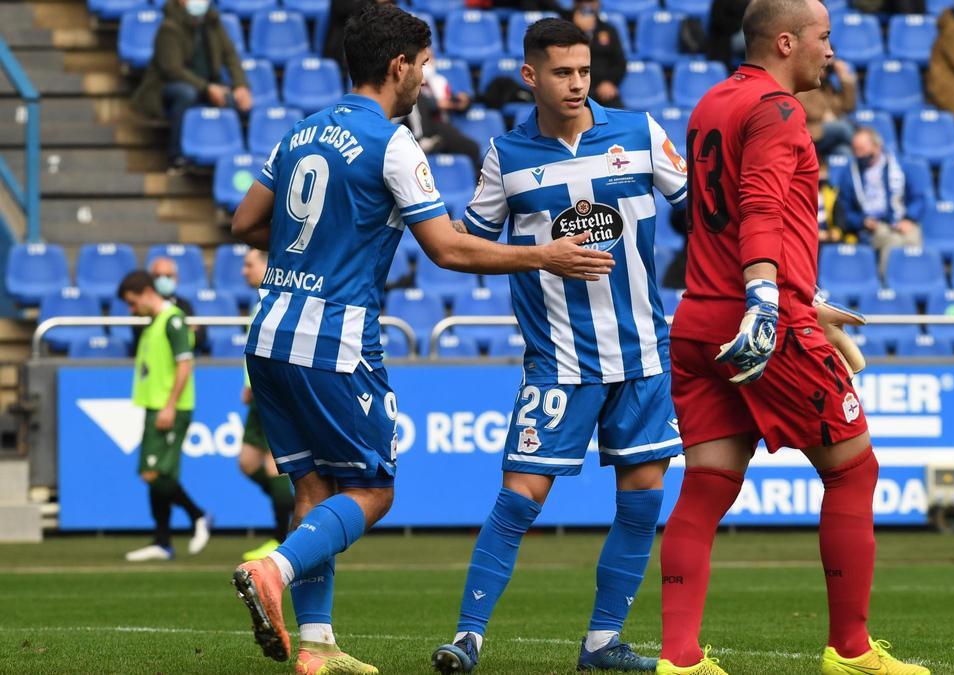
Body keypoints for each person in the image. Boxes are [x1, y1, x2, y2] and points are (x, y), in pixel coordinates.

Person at [227, 6, 614, 674]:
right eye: (425, 65)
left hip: (268, 331)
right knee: (375, 490)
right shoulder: (394, 142)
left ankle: (316, 646)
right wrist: (543, 255)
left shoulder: (301, 130)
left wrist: (317, 242)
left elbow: (243, 221)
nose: (427, 78)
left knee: (314, 489)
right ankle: (275, 567)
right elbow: (448, 250)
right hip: (334, 336)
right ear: (399, 65)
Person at [656, 0, 927, 673]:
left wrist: (804, 297)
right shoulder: (778, 111)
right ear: (786, 41)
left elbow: (714, 219)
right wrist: (769, 300)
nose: (830, 50)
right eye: (823, 37)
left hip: (699, 317)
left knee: (707, 487)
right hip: (760, 320)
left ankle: (679, 659)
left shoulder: (711, 103)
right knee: (855, 469)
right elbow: (760, 209)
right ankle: (851, 648)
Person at [431, 18, 687, 674]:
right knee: (520, 497)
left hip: (642, 357)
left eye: (583, 70)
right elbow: (468, 250)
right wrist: (540, 254)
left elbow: (701, 214)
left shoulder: (640, 133)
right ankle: (468, 637)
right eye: (562, 72)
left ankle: (603, 642)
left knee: (643, 497)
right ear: (531, 76)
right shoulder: (505, 156)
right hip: (559, 361)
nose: (577, 83)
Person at [118, 270, 211, 562]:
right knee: (160, 473)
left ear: (147, 292)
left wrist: (170, 405)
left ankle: (198, 515)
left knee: (153, 473)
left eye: (133, 303)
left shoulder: (173, 319)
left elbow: (185, 365)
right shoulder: (156, 322)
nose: (132, 310)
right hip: (155, 406)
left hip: (169, 408)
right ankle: (162, 541)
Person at [130, 0, 252, 168]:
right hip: (167, 87)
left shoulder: (212, 22)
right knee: (187, 94)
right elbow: (173, 70)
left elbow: (230, 55)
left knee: (232, 101)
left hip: (207, 84)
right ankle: (176, 155)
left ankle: (230, 160)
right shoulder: (169, 27)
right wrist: (207, 88)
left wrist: (241, 85)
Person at [236, 248, 294, 562]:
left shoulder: (278, 299)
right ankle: (288, 506)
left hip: (273, 396)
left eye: (249, 264)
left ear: (266, 264)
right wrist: (248, 384)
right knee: (247, 463)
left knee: (275, 466)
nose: (244, 271)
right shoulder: (259, 301)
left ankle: (281, 537)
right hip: (258, 395)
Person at [835, 127, 926, 270]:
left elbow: (918, 198)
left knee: (912, 237)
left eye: (862, 150)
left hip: (900, 221)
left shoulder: (899, 166)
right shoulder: (849, 174)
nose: (858, 155)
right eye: (855, 150)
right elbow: (843, 212)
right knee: (893, 241)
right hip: (871, 229)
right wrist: (862, 221)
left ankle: (915, 282)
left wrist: (909, 218)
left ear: (877, 147)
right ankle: (889, 285)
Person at [134, 257, 203, 351]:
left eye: (168, 276)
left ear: (176, 278)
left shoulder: (184, 305)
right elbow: (140, 333)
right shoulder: (143, 306)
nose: (163, 280)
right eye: (157, 276)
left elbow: (197, 333)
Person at [570, 0, 627, 108]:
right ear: (576, 4)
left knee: (617, 113)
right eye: (583, 2)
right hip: (575, 86)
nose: (587, 5)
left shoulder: (609, 29)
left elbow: (620, 62)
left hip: (603, 88)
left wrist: (610, 82)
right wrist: (579, 31)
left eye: (592, 2)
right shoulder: (567, 30)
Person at [797, 59, 858, 158]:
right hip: (811, 131)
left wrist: (844, 77)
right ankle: (867, 150)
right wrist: (824, 115)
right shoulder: (803, 81)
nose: (827, 65)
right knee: (842, 127)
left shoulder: (828, 85)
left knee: (844, 151)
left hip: (828, 135)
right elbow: (800, 106)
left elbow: (848, 107)